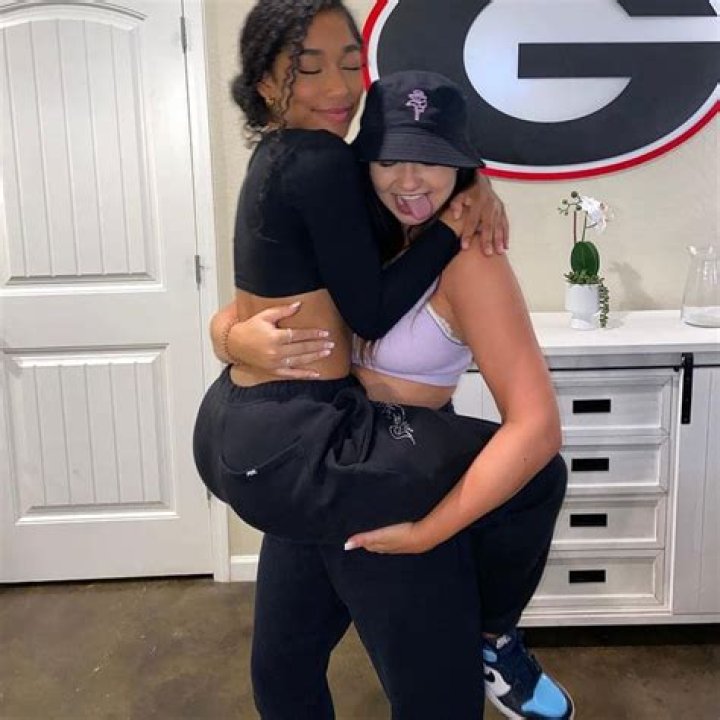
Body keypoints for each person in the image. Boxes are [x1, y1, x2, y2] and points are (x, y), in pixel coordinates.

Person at [195, 3, 571, 718]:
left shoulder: (470, 260)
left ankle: (494, 640)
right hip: (317, 456)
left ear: (460, 165)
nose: (409, 180)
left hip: (395, 482)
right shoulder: (358, 222)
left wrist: (432, 530)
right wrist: (230, 337)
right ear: (361, 162)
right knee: (282, 671)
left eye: (433, 160)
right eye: (390, 159)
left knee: (435, 699)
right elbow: (267, 300)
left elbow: (536, 428)